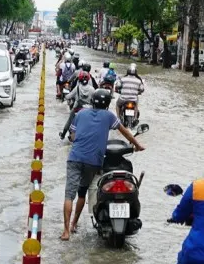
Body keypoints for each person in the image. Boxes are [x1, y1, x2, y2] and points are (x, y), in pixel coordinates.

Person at [61, 88, 144, 241]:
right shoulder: (109, 116)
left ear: (92, 101)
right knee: (82, 192)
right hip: (93, 162)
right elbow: (125, 132)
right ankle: (73, 224)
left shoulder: (80, 114)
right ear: (107, 104)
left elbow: (72, 136)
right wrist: (137, 145)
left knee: (68, 195)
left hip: (75, 158)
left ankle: (66, 232)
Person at [61, 70, 95, 139]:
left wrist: (65, 96)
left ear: (79, 79)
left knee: (69, 120)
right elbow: (94, 100)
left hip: (77, 108)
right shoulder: (92, 89)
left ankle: (63, 135)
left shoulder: (77, 88)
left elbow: (69, 96)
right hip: (89, 110)